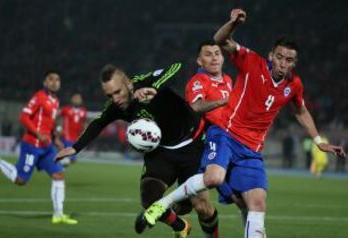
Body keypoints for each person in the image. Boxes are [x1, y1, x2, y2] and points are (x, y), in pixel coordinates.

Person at [142, 8, 347, 238]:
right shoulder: (251, 62)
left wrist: (319, 141)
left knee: (255, 202)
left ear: (294, 63)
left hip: (251, 150)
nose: (282, 63)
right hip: (225, 134)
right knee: (214, 177)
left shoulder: (294, 85)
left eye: (288, 60)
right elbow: (220, 40)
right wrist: (233, 23)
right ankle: (162, 203)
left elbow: (301, 110)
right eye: (279, 57)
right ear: (271, 56)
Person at [54, 63, 219, 238]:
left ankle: (188, 212)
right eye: (109, 95)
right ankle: (180, 226)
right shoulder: (116, 106)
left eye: (118, 92)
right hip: (161, 153)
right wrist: (75, 148)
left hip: (191, 145)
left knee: (201, 208)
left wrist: (153, 87)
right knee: (149, 198)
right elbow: (99, 122)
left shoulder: (143, 81)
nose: (115, 98)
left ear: (127, 83)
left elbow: (176, 67)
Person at [0, 71, 77, 225]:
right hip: (32, 146)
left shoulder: (55, 101)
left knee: (59, 176)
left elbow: (49, 124)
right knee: (20, 180)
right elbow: (23, 116)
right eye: (51, 79)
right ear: (45, 82)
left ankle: (58, 215)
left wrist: (55, 138)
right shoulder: (39, 97)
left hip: (47, 147)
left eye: (57, 79)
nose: (54, 82)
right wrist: (37, 133)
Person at [186, 40, 248, 223]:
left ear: (223, 57)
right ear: (199, 61)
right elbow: (196, 106)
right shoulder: (198, 81)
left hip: (229, 143)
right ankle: (173, 205)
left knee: (243, 199)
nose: (214, 58)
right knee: (200, 207)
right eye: (208, 54)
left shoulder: (228, 80)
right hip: (206, 145)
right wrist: (222, 101)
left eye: (217, 53)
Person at [59, 93, 87, 165]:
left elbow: (84, 122)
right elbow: (58, 118)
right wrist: (58, 128)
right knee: (67, 160)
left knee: (73, 160)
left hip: (76, 138)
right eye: (75, 98)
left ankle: (60, 167)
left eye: (79, 98)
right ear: (72, 99)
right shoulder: (66, 109)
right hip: (66, 137)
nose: (77, 100)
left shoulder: (83, 111)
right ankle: (58, 170)